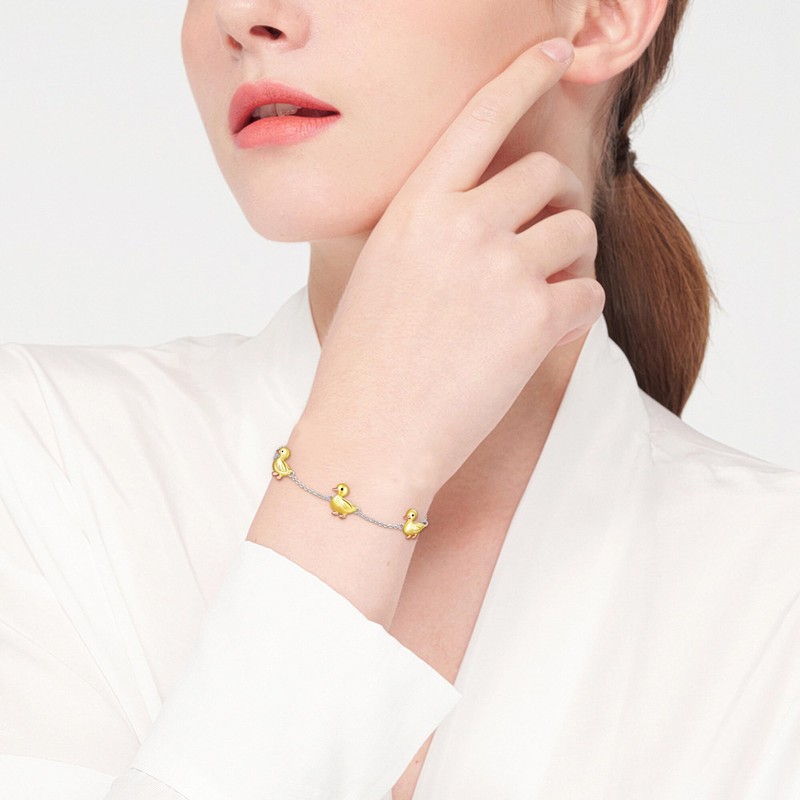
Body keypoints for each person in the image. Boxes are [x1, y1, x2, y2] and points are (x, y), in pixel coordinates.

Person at [1, 0, 798, 798]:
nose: (244, 16)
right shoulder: (43, 461)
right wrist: (366, 457)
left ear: (602, 17)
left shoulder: (773, 589)